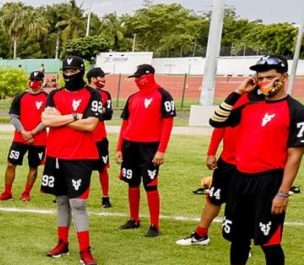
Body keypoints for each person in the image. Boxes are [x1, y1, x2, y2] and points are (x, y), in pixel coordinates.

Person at [206, 55, 304, 265]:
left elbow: (295, 155)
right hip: (240, 178)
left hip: (269, 181)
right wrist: (239, 91)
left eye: (269, 77)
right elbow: (216, 121)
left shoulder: (296, 110)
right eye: (259, 78)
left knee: (270, 240)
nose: (263, 82)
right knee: (238, 235)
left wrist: (282, 192)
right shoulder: (248, 103)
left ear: (283, 78)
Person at [34, 56, 104, 265]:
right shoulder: (54, 94)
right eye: (66, 70)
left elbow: (91, 125)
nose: (68, 74)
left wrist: (61, 119)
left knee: (78, 203)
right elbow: (46, 120)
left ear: (81, 71)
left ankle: (85, 250)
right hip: (55, 156)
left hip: (81, 157)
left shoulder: (93, 94)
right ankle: (62, 243)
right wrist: (74, 116)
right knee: (62, 201)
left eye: (73, 70)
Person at [116, 64, 175, 237]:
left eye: (139, 77)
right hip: (130, 146)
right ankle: (133, 219)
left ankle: (154, 224)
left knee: (150, 184)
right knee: (132, 182)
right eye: (135, 77)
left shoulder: (163, 95)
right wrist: (119, 147)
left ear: (148, 76)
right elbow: (125, 124)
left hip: (150, 147)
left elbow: (167, 124)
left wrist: (161, 150)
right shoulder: (133, 98)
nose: (137, 80)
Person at [176, 116, 244, 246]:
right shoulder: (234, 99)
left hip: (249, 164)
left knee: (243, 203)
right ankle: (200, 235)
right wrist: (211, 153)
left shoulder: (263, 101)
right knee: (214, 198)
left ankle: (243, 243)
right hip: (226, 162)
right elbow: (220, 126)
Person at [0, 71, 48, 203]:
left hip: (39, 139)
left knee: (33, 167)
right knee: (11, 164)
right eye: (32, 80)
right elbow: (13, 117)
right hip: (20, 138)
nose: (34, 83)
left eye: (37, 80)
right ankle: (7, 192)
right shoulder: (20, 97)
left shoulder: (48, 98)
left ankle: (26, 192)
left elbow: (48, 119)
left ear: (43, 82)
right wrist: (24, 132)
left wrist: (33, 132)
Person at [86, 67, 114, 208]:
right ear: (93, 78)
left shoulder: (106, 94)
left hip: (101, 138)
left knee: (103, 168)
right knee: (83, 169)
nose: (103, 80)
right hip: (85, 137)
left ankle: (105, 197)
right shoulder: (83, 92)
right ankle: (78, 195)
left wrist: (93, 112)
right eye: (101, 76)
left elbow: (108, 114)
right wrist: (99, 111)